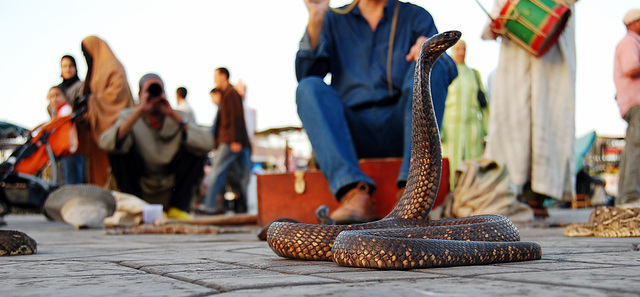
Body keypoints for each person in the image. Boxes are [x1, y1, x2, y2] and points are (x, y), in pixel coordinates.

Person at [295, 0, 457, 224]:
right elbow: (306, 73)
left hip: (403, 127)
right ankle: (353, 193)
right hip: (352, 133)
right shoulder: (334, 19)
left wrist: (429, 52)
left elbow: (447, 71)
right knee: (308, 88)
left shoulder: (416, 17)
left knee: (435, 64)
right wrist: (316, 18)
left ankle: (410, 195)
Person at [481, 0, 578, 217]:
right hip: (515, 54)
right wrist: (494, 25)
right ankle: (513, 189)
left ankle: (538, 194)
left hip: (552, 49)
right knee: (513, 120)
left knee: (549, 118)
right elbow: (496, 16)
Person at [99, 73, 213, 219]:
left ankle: (177, 208)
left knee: (196, 150)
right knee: (117, 153)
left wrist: (173, 115)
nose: (154, 95)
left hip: (171, 184)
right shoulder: (129, 117)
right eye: (149, 91)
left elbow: (207, 144)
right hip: (140, 182)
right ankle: (135, 206)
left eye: (158, 90)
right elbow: (106, 143)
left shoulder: (180, 117)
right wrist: (140, 111)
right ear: (140, 94)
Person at [77, 36, 134, 187]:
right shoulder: (92, 73)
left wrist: (92, 102)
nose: (86, 57)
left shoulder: (113, 67)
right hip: (95, 131)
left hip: (112, 129)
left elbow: (118, 94)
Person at [200, 67, 252, 214]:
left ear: (223, 76)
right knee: (240, 175)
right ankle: (238, 207)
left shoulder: (230, 93)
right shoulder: (227, 94)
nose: (214, 79)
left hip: (231, 140)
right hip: (234, 140)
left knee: (218, 171)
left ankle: (209, 205)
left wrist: (235, 140)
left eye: (215, 76)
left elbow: (235, 118)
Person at [441, 40, 489, 190]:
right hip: (450, 129)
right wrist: (438, 130)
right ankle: (450, 204)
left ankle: (470, 201)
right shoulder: (446, 72)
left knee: (473, 169)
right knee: (450, 169)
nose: (461, 52)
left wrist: (486, 131)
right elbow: (439, 101)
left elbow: (484, 104)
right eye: (458, 49)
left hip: (472, 128)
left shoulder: (474, 74)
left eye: (464, 49)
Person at [614, 9, 640, 206]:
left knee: (633, 147)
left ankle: (625, 198)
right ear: (633, 22)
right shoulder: (630, 42)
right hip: (636, 102)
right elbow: (631, 66)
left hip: (631, 102)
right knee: (637, 148)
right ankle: (631, 197)